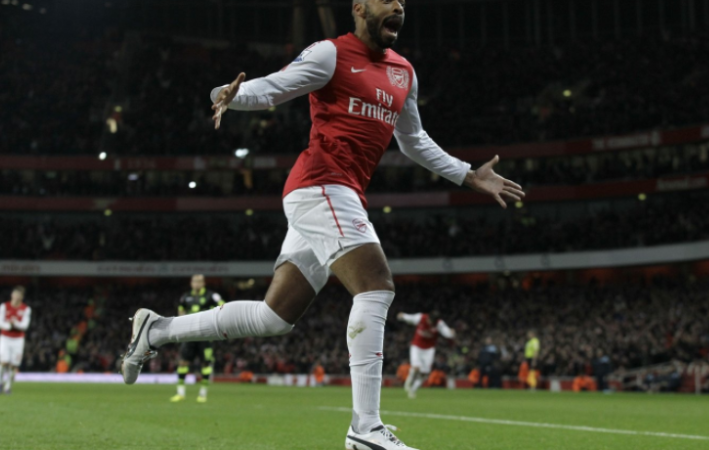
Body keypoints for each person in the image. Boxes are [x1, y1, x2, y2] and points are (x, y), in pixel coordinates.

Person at [120, 0, 523, 448]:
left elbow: (413, 140)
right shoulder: (331, 53)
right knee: (376, 286)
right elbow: (275, 87)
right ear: (359, 8)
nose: (398, 5)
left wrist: (468, 174)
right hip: (320, 185)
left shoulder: (403, 72)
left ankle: (157, 329)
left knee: (274, 316)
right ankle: (365, 429)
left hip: (337, 195)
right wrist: (230, 95)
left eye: (403, 1)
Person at [170, 275, 225, 403]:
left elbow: (223, 307)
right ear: (191, 283)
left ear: (204, 283)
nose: (197, 284)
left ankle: (203, 394)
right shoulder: (186, 296)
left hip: (205, 335)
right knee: (183, 362)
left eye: (199, 281)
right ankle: (180, 393)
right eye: (195, 281)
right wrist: (182, 324)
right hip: (190, 334)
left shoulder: (212, 296)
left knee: (205, 364)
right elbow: (181, 309)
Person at [397, 311, 455, 398]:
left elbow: (446, 332)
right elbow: (411, 318)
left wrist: (451, 333)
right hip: (416, 347)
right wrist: (403, 316)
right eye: (430, 320)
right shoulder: (421, 318)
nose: (431, 323)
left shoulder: (439, 324)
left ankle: (413, 390)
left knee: (425, 373)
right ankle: (408, 383)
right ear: (428, 318)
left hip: (429, 350)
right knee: (416, 367)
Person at [0, 286, 31, 395]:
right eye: (15, 294)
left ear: (22, 297)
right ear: (11, 295)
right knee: (3, 362)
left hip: (18, 340)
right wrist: (8, 326)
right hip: (5, 338)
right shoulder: (4, 306)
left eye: (19, 295)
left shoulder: (26, 309)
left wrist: (15, 324)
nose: (16, 297)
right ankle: (0, 383)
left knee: (13, 365)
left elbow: (25, 325)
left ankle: (8, 387)